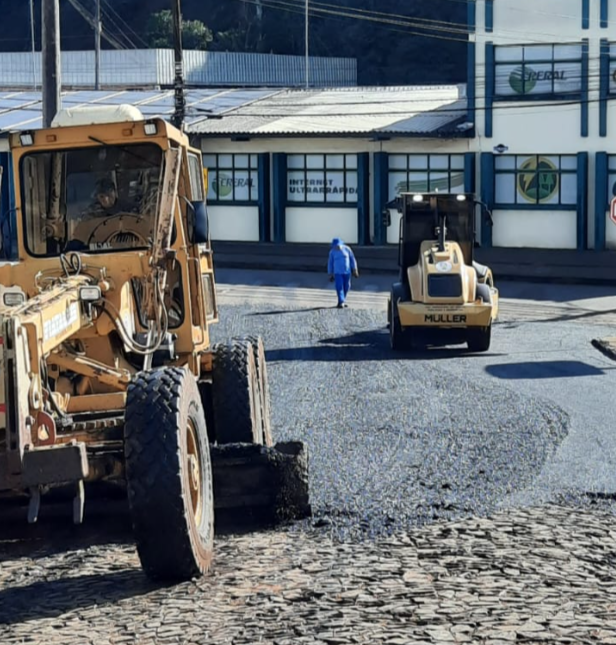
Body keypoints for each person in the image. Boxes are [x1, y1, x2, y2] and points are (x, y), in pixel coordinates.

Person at [327, 237, 359, 308]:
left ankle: (342, 300)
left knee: (347, 286)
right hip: (338, 272)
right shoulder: (332, 252)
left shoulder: (347, 249)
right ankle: (341, 301)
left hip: (347, 272)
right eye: (335, 246)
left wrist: (355, 269)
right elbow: (330, 263)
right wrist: (330, 273)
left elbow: (352, 259)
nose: (337, 247)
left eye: (338, 245)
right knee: (339, 286)